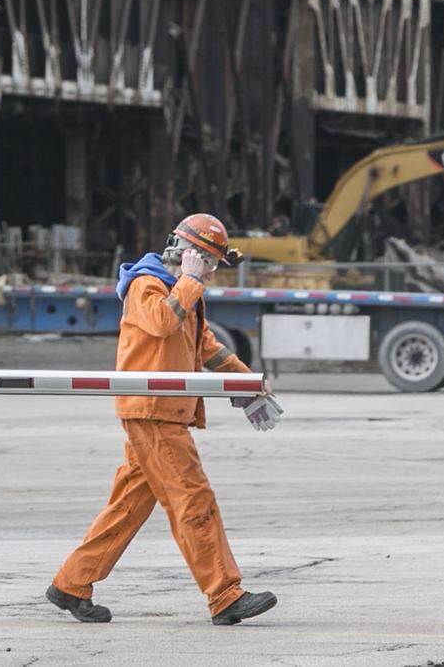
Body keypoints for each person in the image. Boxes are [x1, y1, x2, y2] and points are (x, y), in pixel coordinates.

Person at [46, 214, 281, 626]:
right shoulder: (146, 284)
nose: (209, 271)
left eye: (211, 264)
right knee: (193, 497)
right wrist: (190, 281)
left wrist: (249, 384)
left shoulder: (183, 291)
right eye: (205, 261)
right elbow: (161, 322)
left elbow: (205, 346)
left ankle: (71, 583)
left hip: (162, 410)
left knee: (129, 505)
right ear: (183, 251)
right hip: (152, 410)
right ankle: (224, 594)